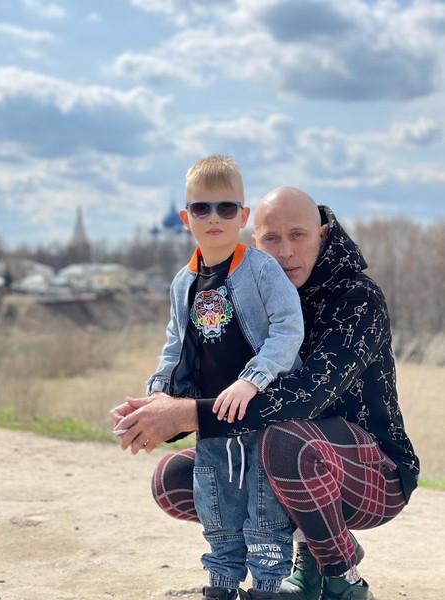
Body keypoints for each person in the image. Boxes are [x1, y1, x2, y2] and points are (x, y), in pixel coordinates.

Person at [111, 186, 420, 600]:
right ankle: (301, 554)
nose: (286, 252)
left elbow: (307, 395)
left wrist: (189, 414)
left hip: (375, 473)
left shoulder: (357, 298)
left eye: (298, 235)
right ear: (255, 241)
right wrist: (157, 411)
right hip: (285, 458)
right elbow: (212, 379)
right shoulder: (251, 294)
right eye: (272, 238)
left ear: (322, 235)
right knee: (176, 479)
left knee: (286, 442)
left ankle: (342, 577)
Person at [119, 157, 306, 600]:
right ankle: (221, 584)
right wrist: (154, 398)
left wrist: (252, 379)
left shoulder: (261, 269)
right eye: (202, 208)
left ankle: (267, 587)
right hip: (212, 417)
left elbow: (288, 327)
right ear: (186, 218)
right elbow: (175, 345)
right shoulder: (183, 282)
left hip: (261, 415)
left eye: (226, 208)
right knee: (216, 503)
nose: (214, 218)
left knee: (264, 507)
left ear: (243, 216)